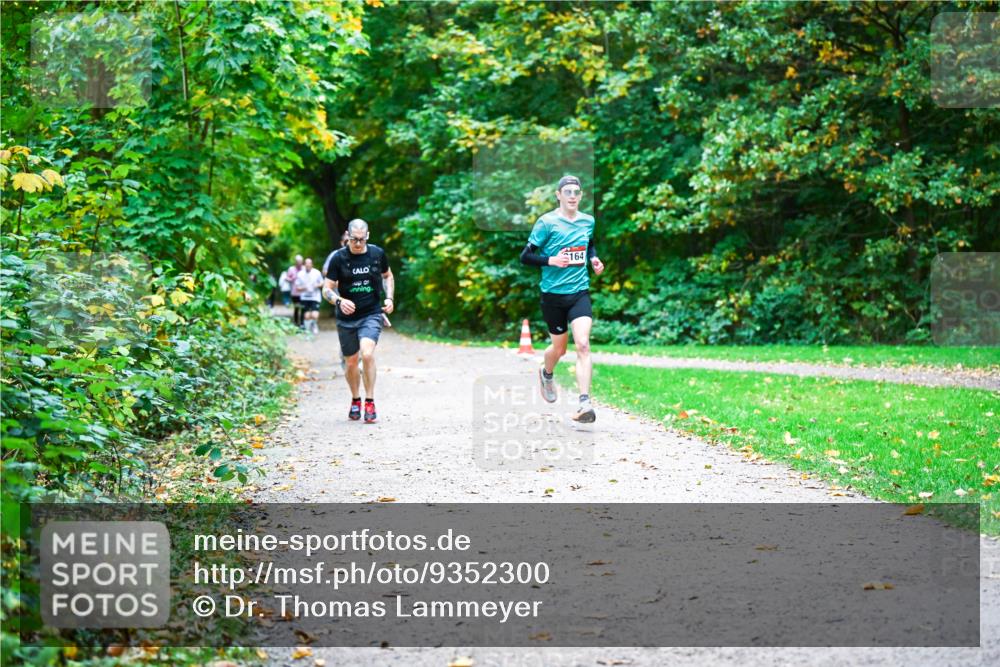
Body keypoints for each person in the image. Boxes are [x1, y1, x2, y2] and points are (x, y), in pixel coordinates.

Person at [519, 175, 605, 423]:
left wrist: (593, 260)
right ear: (558, 195)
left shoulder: (587, 221)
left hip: (579, 293)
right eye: (566, 191)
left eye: (575, 192)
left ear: (580, 196)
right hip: (552, 296)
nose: (571, 196)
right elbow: (525, 257)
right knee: (559, 349)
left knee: (583, 344)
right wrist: (551, 260)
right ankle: (546, 373)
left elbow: (589, 244)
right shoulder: (546, 223)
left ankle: (584, 402)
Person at [322, 219, 394, 423]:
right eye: (354, 239)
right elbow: (327, 288)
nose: (358, 244)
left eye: (362, 240)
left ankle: (370, 401)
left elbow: (388, 276)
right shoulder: (338, 258)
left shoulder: (377, 254)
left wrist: (389, 298)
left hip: (370, 313)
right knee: (351, 362)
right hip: (346, 318)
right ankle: (356, 399)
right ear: (348, 235)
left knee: (367, 353)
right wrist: (339, 300)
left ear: (368, 236)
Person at [294, 258, 324, 334]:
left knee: (314, 315)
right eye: (306, 263)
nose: (308, 265)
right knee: (307, 316)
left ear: (312, 264)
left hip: (315, 296)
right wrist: (304, 287)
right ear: (304, 265)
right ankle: (308, 330)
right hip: (304, 297)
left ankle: (314, 324)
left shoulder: (316, 272)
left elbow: (322, 283)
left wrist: (316, 285)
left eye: (309, 263)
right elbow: (297, 287)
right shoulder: (300, 274)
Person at [285, 255, 305, 328]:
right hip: (295, 292)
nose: (299, 263)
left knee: (303, 308)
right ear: (295, 262)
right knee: (296, 308)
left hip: (303, 292)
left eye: (300, 261)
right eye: (298, 262)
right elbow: (287, 278)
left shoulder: (304, 268)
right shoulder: (291, 269)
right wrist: (291, 279)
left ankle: (302, 323)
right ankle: (296, 323)